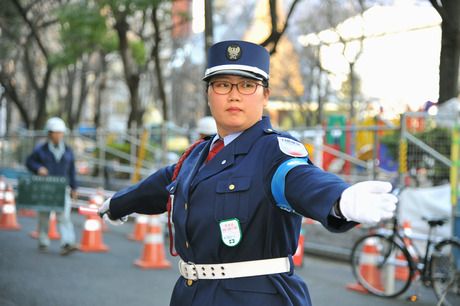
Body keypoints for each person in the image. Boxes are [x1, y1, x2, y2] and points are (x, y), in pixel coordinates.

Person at [99, 40, 397, 306]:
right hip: (190, 293)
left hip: (256, 295)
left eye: (246, 85)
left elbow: (299, 178)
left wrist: (340, 199)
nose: (234, 95)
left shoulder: (274, 151)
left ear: (264, 95)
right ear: (209, 94)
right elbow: (162, 186)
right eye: (222, 85)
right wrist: (118, 204)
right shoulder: (197, 156)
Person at [26, 117, 78, 256]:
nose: (59, 135)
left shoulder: (68, 150)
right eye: (56, 132)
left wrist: (74, 188)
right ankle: (43, 240)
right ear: (49, 133)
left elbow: (72, 170)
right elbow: (29, 162)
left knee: (64, 216)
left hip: (62, 188)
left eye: (61, 132)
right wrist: (38, 168)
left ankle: (67, 242)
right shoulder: (40, 150)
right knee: (44, 216)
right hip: (45, 189)